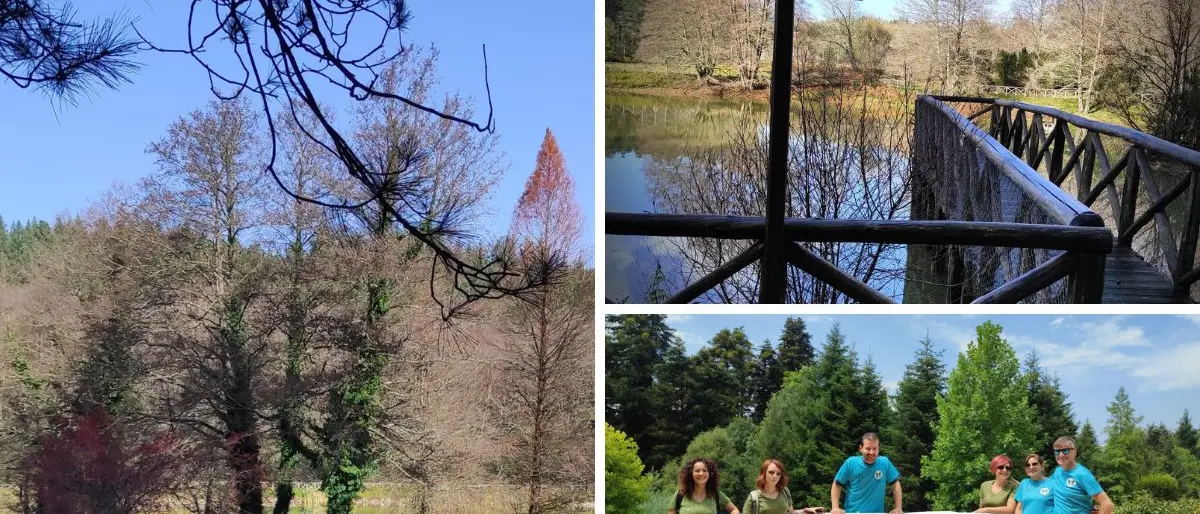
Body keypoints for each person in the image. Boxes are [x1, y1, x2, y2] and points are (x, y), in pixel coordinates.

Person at [831, 433, 902, 514]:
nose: (871, 452)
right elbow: (837, 484)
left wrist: (898, 508)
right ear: (861, 448)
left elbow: (895, 483)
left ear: (878, 449)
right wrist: (835, 508)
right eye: (868, 448)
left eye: (874, 448)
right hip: (853, 512)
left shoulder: (884, 462)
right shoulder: (850, 462)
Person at [1050, 436, 1113, 514]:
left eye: (1065, 450)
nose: (1061, 455)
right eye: (1057, 451)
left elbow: (1107, 504)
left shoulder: (1082, 474)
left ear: (1074, 451)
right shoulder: (1057, 471)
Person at [742, 459, 826, 514]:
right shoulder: (754, 497)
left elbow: (791, 512)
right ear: (763, 474)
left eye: (778, 473)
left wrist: (805, 510)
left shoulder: (785, 491)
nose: (775, 476)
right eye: (771, 472)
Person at [669, 457, 740, 514]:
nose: (701, 473)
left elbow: (734, 510)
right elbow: (671, 511)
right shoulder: (681, 494)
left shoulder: (715, 494)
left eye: (705, 470)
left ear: (709, 473)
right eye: (697, 471)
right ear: (690, 474)